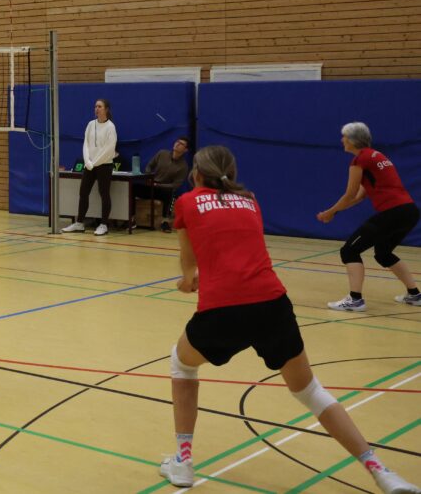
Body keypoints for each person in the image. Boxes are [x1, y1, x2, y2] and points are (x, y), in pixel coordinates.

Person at [160, 145, 419, 493]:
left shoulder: (187, 202)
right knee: (310, 391)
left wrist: (186, 281)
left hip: (223, 310)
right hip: (273, 304)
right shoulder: (250, 200)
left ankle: (183, 462)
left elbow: (189, 267)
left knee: (181, 364)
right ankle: (381, 471)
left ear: (197, 173)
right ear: (231, 173)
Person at [317, 122, 420, 311]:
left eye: (344, 136)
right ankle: (414, 294)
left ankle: (355, 300)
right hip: (409, 211)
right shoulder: (377, 156)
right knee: (383, 253)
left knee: (349, 251)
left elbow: (350, 194)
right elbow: (359, 197)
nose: (342, 140)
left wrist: (330, 212)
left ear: (353, 140)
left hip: (393, 212)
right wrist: (334, 211)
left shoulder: (360, 160)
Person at [61, 99, 117, 236]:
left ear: (106, 109)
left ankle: (103, 225)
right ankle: (79, 223)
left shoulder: (110, 127)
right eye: (95, 106)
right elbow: (86, 144)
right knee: (83, 192)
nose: (96, 108)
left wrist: (95, 162)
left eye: (100, 106)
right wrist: (87, 161)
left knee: (104, 194)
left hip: (104, 165)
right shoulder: (91, 124)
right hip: (90, 166)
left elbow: (109, 149)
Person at [134, 137, 190, 232]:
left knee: (171, 194)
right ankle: (131, 218)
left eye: (181, 144)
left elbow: (175, 185)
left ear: (185, 150)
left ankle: (165, 222)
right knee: (133, 188)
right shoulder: (162, 153)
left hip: (164, 190)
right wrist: (149, 176)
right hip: (152, 186)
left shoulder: (183, 166)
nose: (177, 144)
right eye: (177, 141)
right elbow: (150, 165)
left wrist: (158, 185)